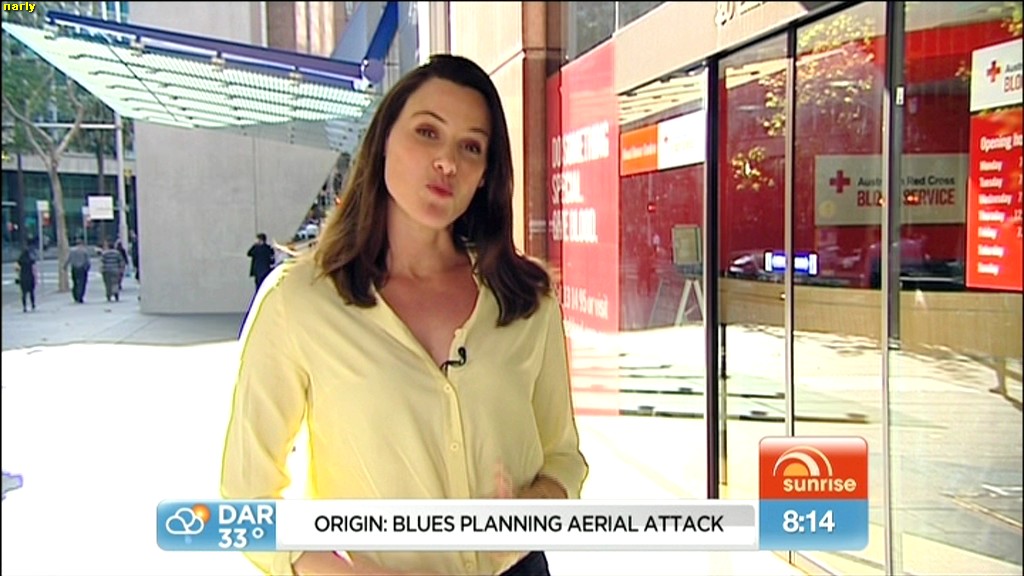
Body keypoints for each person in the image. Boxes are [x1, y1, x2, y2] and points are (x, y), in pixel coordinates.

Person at [221, 54, 588, 576]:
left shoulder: (527, 299)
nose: (447, 163)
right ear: (383, 142)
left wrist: (533, 509)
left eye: (471, 147)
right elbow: (246, 499)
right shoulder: (298, 302)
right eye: (427, 132)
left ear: (485, 174)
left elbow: (564, 458)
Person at [66, 238, 91, 303]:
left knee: (75, 282)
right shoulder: (84, 251)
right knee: (82, 283)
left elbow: (69, 259)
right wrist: (88, 267)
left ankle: (75, 295)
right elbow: (87, 260)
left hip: (74, 268)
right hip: (82, 268)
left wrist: (65, 266)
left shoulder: (72, 250)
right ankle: (80, 296)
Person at [15, 247, 37, 312]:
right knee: (32, 292)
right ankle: (33, 305)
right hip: (30, 277)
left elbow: (16, 270)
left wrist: (17, 278)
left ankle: (24, 307)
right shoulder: (30, 260)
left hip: (23, 278)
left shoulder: (20, 261)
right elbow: (34, 265)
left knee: (23, 294)